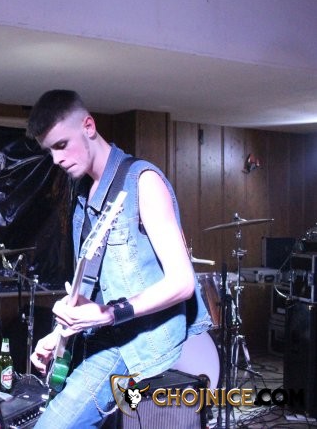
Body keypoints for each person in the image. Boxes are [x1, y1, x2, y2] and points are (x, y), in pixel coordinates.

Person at [27, 90, 211, 428]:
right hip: (99, 339)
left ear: (89, 126)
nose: (56, 159)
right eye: (50, 150)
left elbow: (183, 283)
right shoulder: (84, 195)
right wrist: (60, 334)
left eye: (62, 145)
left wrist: (110, 314)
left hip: (132, 343)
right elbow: (94, 286)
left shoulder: (143, 181)